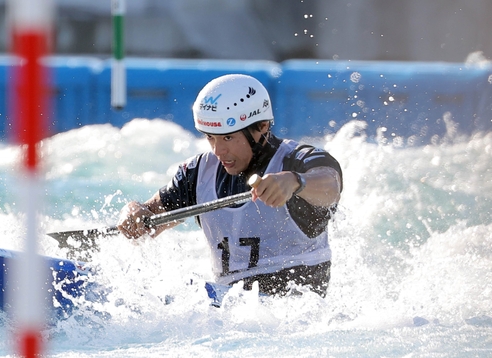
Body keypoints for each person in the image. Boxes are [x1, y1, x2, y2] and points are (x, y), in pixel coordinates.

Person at [117, 74, 343, 297]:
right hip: (231, 304)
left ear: (262, 126)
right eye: (210, 137)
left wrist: (296, 181)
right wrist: (134, 212)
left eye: (227, 138)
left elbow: (331, 187)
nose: (218, 151)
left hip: (295, 305)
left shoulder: (299, 160)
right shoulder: (198, 173)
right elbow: (148, 217)